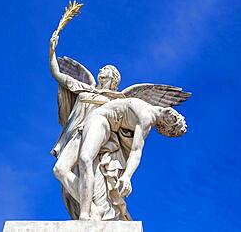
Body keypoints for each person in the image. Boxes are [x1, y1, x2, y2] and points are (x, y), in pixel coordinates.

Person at [49, 34, 124, 213]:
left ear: (113, 78)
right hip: (78, 134)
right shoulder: (85, 88)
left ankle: (90, 211)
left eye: (106, 68)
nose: (101, 69)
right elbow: (58, 74)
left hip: (100, 140)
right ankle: (90, 208)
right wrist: (52, 51)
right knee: (59, 169)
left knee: (87, 163)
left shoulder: (115, 100)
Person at [77, 98, 187, 220]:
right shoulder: (147, 108)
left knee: (85, 159)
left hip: (102, 124)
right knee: (77, 162)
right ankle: (86, 213)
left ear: (164, 128)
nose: (175, 115)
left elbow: (136, 151)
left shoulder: (147, 119)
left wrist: (127, 176)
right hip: (97, 119)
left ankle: (86, 214)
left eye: (175, 121)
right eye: (178, 116)